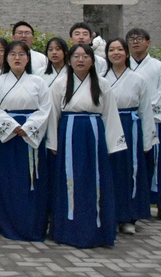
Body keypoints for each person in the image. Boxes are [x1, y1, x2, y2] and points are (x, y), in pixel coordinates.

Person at [46, 43, 127, 248]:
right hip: (69, 133)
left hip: (94, 135)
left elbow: (110, 115)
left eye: (85, 56)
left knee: (95, 180)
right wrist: (52, 141)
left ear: (92, 60)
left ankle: (96, 230)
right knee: (69, 180)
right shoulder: (60, 84)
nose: (80, 60)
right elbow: (53, 114)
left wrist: (112, 145)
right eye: (76, 56)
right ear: (69, 60)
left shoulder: (102, 84)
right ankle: (67, 230)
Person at [0, 41, 51, 241]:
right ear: (6, 58)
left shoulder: (38, 82)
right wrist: (11, 126)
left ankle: (32, 224)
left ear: (28, 58)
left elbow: (45, 109)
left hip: (30, 136)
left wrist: (28, 127)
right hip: (7, 136)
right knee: (6, 180)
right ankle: (5, 223)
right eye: (12, 54)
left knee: (31, 181)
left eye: (21, 54)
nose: (17, 58)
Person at [103, 38, 155, 234]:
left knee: (129, 170)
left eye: (119, 49)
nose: (115, 53)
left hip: (129, 125)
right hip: (107, 124)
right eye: (111, 50)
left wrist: (148, 139)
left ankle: (129, 217)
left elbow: (145, 111)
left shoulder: (138, 79)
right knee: (109, 171)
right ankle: (109, 215)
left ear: (126, 53)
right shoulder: (101, 78)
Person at [126, 28, 161, 223]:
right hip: (129, 121)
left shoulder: (159, 67)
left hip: (153, 121)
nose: (135, 42)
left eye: (139, 38)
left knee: (158, 163)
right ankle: (134, 205)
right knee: (131, 164)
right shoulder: (123, 65)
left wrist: (147, 116)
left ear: (148, 42)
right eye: (131, 39)